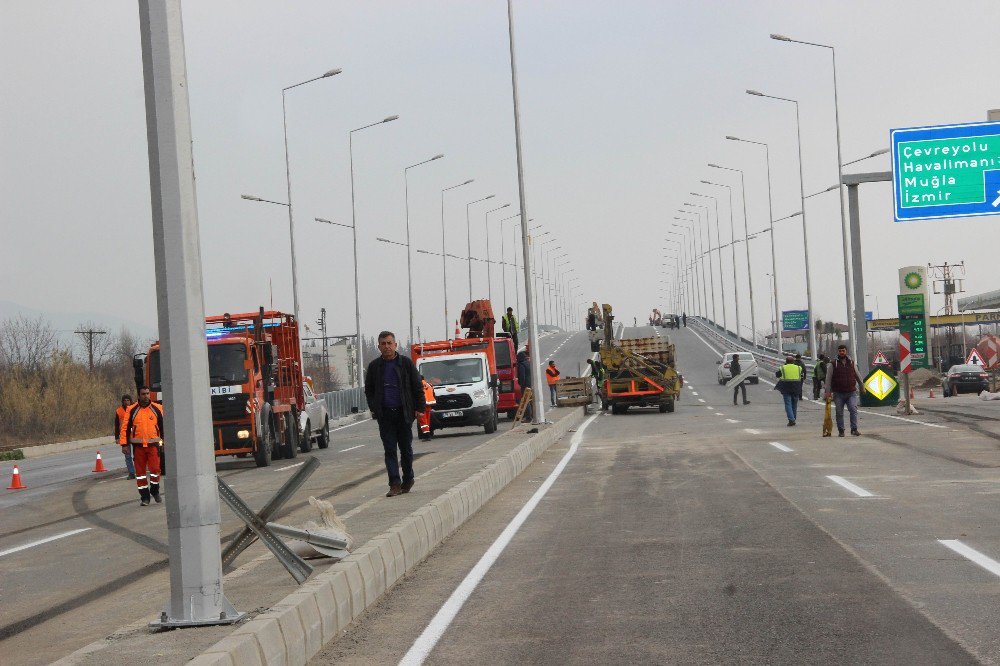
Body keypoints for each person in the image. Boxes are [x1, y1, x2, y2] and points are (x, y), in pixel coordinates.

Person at [364, 331, 426, 497]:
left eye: (389, 343)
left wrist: (420, 409)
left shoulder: (405, 364)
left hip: (404, 413)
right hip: (385, 416)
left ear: (395, 345)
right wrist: (374, 408)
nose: (387, 347)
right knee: (390, 450)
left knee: (406, 449)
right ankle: (394, 484)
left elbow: (417, 387)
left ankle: (408, 479)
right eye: (383, 344)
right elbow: (369, 390)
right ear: (379, 347)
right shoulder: (374, 367)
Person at [119, 386, 164, 506]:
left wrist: (165, 443)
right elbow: (125, 429)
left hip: (153, 446)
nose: (146, 396)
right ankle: (145, 497)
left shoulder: (157, 408)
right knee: (140, 474)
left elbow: (164, 427)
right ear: (139, 395)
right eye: (143, 394)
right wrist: (124, 445)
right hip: (138, 448)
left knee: (155, 470)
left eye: (147, 393)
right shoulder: (132, 409)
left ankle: (155, 491)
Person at [824, 344, 867, 437]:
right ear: (838, 352)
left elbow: (857, 375)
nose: (842, 352)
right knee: (839, 412)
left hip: (851, 392)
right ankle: (841, 430)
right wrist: (828, 392)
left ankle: (854, 429)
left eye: (843, 351)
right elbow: (828, 379)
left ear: (846, 351)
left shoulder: (851, 363)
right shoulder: (833, 364)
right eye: (840, 351)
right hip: (838, 393)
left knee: (853, 409)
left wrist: (862, 386)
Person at [775, 356, 802, 426]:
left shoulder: (783, 368)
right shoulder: (799, 368)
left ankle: (791, 420)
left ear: (786, 361)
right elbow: (801, 376)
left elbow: (777, 375)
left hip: (786, 388)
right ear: (793, 361)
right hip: (796, 388)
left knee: (788, 404)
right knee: (794, 404)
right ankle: (793, 418)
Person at [114, 394, 136, 479]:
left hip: (135, 435)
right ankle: (131, 473)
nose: (126, 402)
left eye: (128, 400)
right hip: (124, 436)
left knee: (137, 455)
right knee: (127, 456)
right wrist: (117, 437)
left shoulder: (134, 409)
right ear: (122, 402)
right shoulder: (119, 411)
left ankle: (139, 470)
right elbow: (116, 425)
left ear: (130, 401)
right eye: (125, 400)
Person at [417, 376, 436, 440]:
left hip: (422, 404)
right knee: (427, 420)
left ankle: (426, 436)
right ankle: (428, 434)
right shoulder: (428, 384)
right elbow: (433, 394)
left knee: (422, 420)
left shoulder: (418, 384)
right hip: (429, 404)